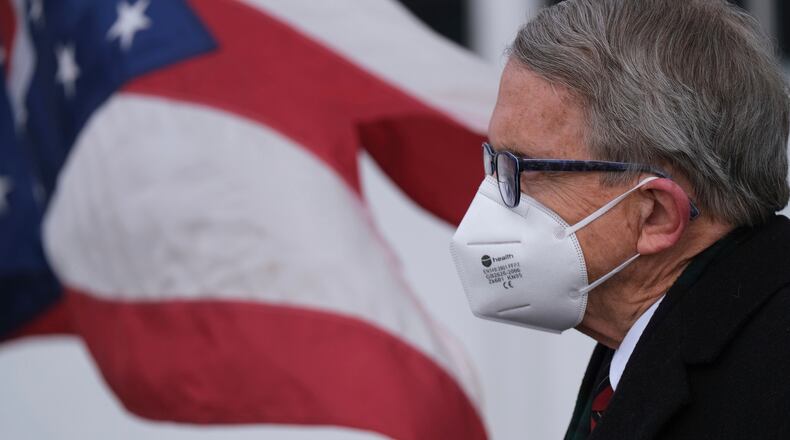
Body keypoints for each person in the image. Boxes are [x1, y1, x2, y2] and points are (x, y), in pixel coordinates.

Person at [449, 0, 790, 438]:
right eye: (494, 161)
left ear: (656, 215)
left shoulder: (770, 377)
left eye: (524, 169)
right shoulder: (656, 332)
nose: (495, 197)